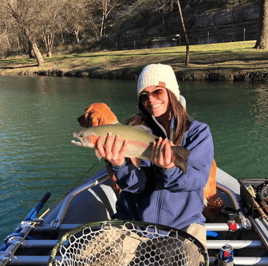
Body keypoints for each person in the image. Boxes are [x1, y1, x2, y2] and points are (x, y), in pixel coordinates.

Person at [95, 63, 214, 249]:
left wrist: (170, 169)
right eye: (144, 96)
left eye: (158, 92)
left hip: (182, 226)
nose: (150, 100)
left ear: (172, 93)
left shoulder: (198, 132)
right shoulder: (132, 130)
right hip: (132, 223)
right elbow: (137, 184)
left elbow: (197, 180)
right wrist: (118, 165)